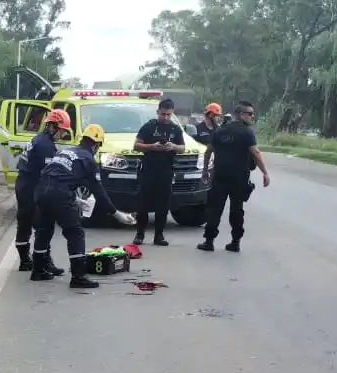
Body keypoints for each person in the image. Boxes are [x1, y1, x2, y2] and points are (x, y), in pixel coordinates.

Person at [30, 123, 134, 289]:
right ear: (96, 144)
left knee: (44, 230)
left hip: (41, 191)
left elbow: (56, 177)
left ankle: (38, 270)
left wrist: (76, 200)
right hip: (60, 195)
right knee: (75, 233)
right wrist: (117, 214)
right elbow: (99, 192)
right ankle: (78, 276)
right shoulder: (88, 159)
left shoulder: (66, 151)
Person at [198, 101, 270, 254]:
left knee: (214, 209)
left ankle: (209, 241)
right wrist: (265, 172)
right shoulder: (247, 132)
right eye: (249, 114)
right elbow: (255, 153)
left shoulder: (219, 131)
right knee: (237, 210)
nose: (252, 116)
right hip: (239, 177)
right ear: (241, 114)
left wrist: (205, 171)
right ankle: (235, 242)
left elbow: (208, 152)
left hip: (220, 176)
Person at [13, 107, 71, 274]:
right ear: (54, 126)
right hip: (32, 186)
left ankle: (25, 260)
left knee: (24, 223)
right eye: (63, 130)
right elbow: (49, 173)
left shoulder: (39, 139)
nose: (64, 134)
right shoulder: (45, 145)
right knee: (43, 225)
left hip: (23, 183)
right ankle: (44, 261)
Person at [132, 97, 186, 247]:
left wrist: (173, 147)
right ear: (158, 112)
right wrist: (152, 147)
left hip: (166, 172)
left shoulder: (175, 129)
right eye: (163, 114)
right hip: (148, 170)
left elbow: (183, 148)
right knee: (142, 204)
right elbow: (136, 145)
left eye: (169, 114)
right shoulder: (149, 126)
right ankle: (139, 234)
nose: (166, 117)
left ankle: (159, 236)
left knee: (162, 206)